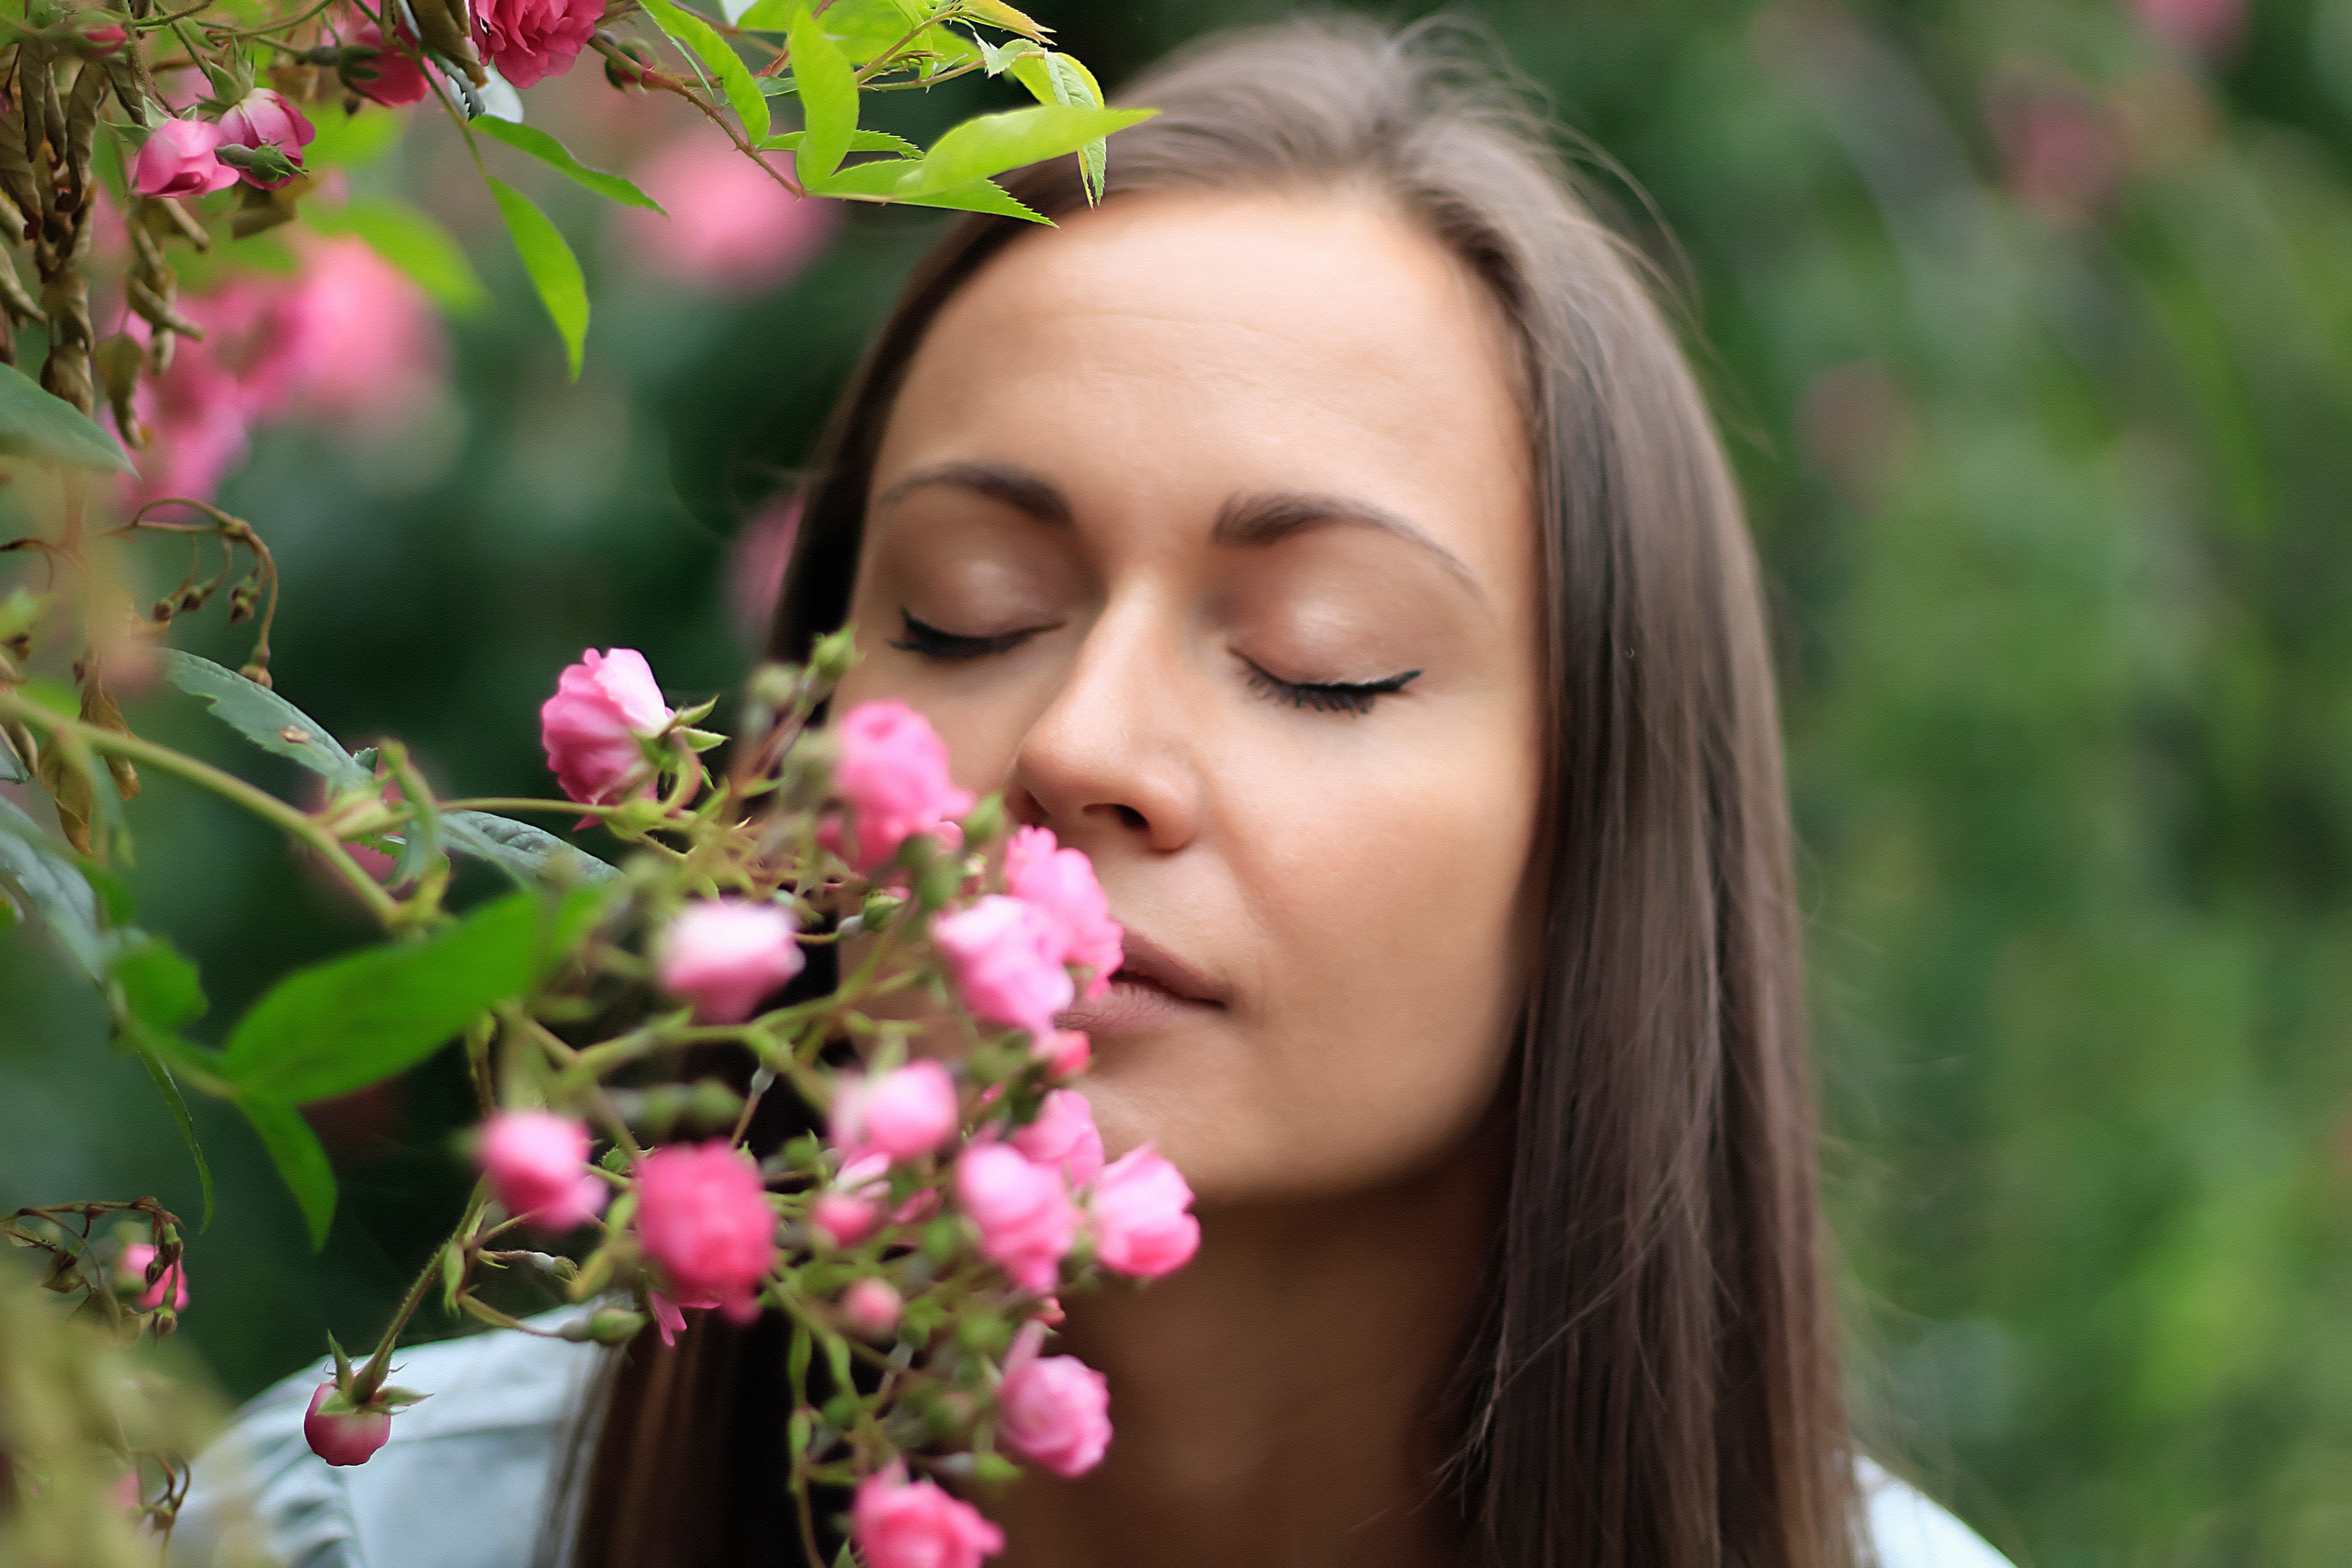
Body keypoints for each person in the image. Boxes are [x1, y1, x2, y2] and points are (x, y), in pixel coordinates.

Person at [173, 17, 2016, 1568]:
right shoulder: (370, 1523)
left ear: (1599, 822)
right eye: (965, 614)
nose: (1077, 744)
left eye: (1322, 653)